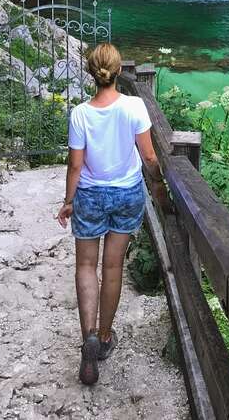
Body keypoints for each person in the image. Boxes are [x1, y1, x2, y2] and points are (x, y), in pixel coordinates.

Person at [56, 42, 166, 386]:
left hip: (89, 195)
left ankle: (87, 334)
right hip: (126, 194)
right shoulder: (134, 107)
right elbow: (149, 158)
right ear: (117, 72)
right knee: (113, 266)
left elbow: (75, 164)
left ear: (92, 73)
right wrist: (161, 192)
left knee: (86, 267)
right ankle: (104, 338)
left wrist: (68, 200)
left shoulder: (80, 114)